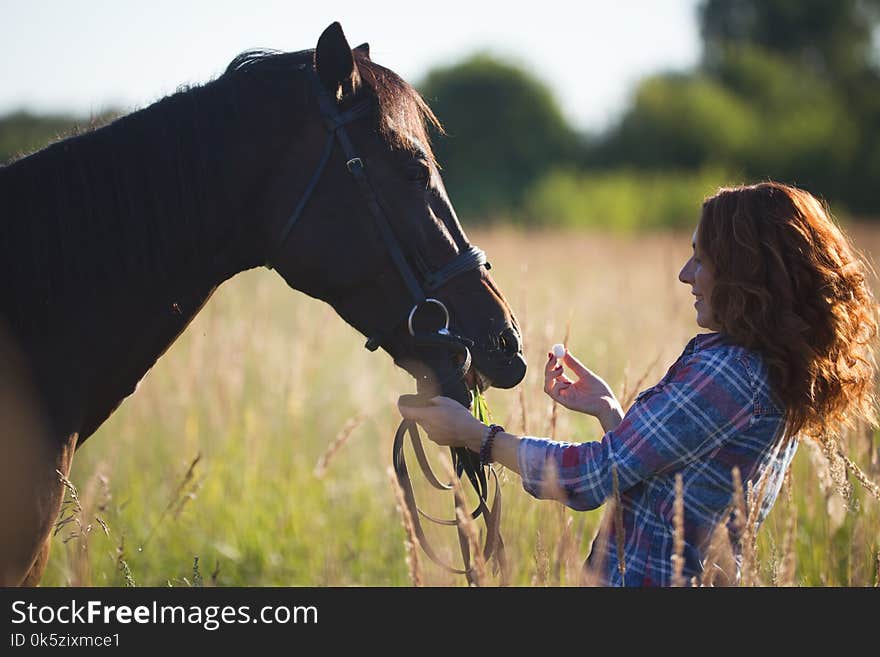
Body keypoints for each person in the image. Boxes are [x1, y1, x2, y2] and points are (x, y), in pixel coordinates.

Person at [398, 181, 878, 586]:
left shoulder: (731, 373)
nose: (685, 274)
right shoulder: (771, 368)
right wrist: (610, 411)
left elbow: (587, 478)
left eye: (702, 260)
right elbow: (678, 485)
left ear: (749, 273)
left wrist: (477, 437)